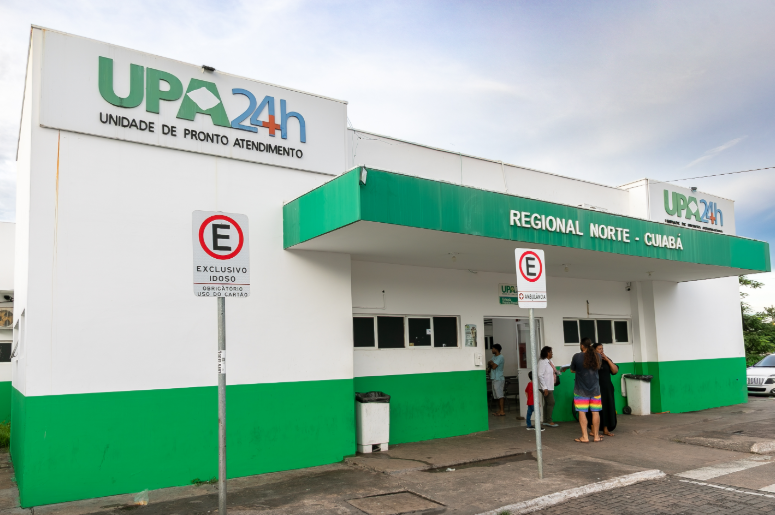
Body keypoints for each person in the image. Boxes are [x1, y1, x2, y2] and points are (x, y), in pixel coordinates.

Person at [570, 337, 602, 443]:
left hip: (581, 390)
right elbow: (598, 367)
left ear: (582, 346)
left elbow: (572, 370)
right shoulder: (598, 356)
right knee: (595, 412)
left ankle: (585, 437)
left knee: (582, 412)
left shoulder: (577, 356)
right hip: (595, 390)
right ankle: (596, 436)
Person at [594, 342, 619, 436]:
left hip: (607, 388)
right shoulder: (592, 361)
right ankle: (594, 430)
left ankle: (606, 429)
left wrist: (607, 360)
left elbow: (615, 371)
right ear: (594, 350)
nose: (601, 350)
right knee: (596, 409)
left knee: (607, 407)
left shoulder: (606, 360)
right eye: (599, 349)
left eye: (602, 349)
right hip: (596, 388)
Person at [537, 346, 559, 427]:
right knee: (551, 402)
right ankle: (549, 420)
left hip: (549, 385)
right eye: (550, 352)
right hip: (545, 387)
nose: (552, 353)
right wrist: (544, 388)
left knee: (547, 403)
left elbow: (553, 371)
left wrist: (561, 371)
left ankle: (545, 420)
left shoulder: (550, 361)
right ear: (546, 353)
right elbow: (540, 375)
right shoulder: (542, 362)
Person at [489, 344, 505, 416]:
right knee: (497, 395)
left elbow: (494, 366)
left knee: (500, 395)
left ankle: (502, 411)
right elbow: (489, 363)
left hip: (499, 378)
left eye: (493, 349)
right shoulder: (494, 357)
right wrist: (491, 363)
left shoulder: (500, 357)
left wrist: (491, 363)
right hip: (494, 378)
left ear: (496, 349)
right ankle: (499, 410)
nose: (492, 350)